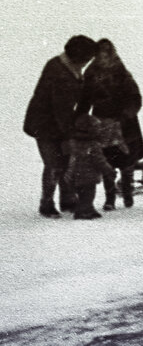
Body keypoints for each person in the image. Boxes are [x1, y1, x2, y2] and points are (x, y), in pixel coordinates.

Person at [23, 35, 98, 218]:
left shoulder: (69, 67)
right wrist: (72, 133)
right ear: (78, 57)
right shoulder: (59, 73)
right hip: (44, 125)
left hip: (59, 122)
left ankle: (67, 199)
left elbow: (74, 102)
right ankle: (46, 204)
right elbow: (61, 108)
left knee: (65, 162)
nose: (87, 63)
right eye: (87, 60)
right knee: (54, 164)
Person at [79, 39, 143, 210]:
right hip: (100, 122)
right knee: (106, 159)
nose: (103, 55)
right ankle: (110, 198)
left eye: (106, 51)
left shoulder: (122, 72)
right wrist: (80, 118)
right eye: (100, 52)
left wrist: (125, 115)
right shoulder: (91, 74)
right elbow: (85, 99)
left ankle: (127, 192)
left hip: (124, 123)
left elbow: (135, 98)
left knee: (126, 161)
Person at [65, 114, 116, 220]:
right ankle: (82, 212)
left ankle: (89, 209)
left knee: (82, 194)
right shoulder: (93, 145)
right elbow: (100, 161)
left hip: (73, 175)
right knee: (88, 196)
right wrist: (109, 171)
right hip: (88, 177)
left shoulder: (73, 142)